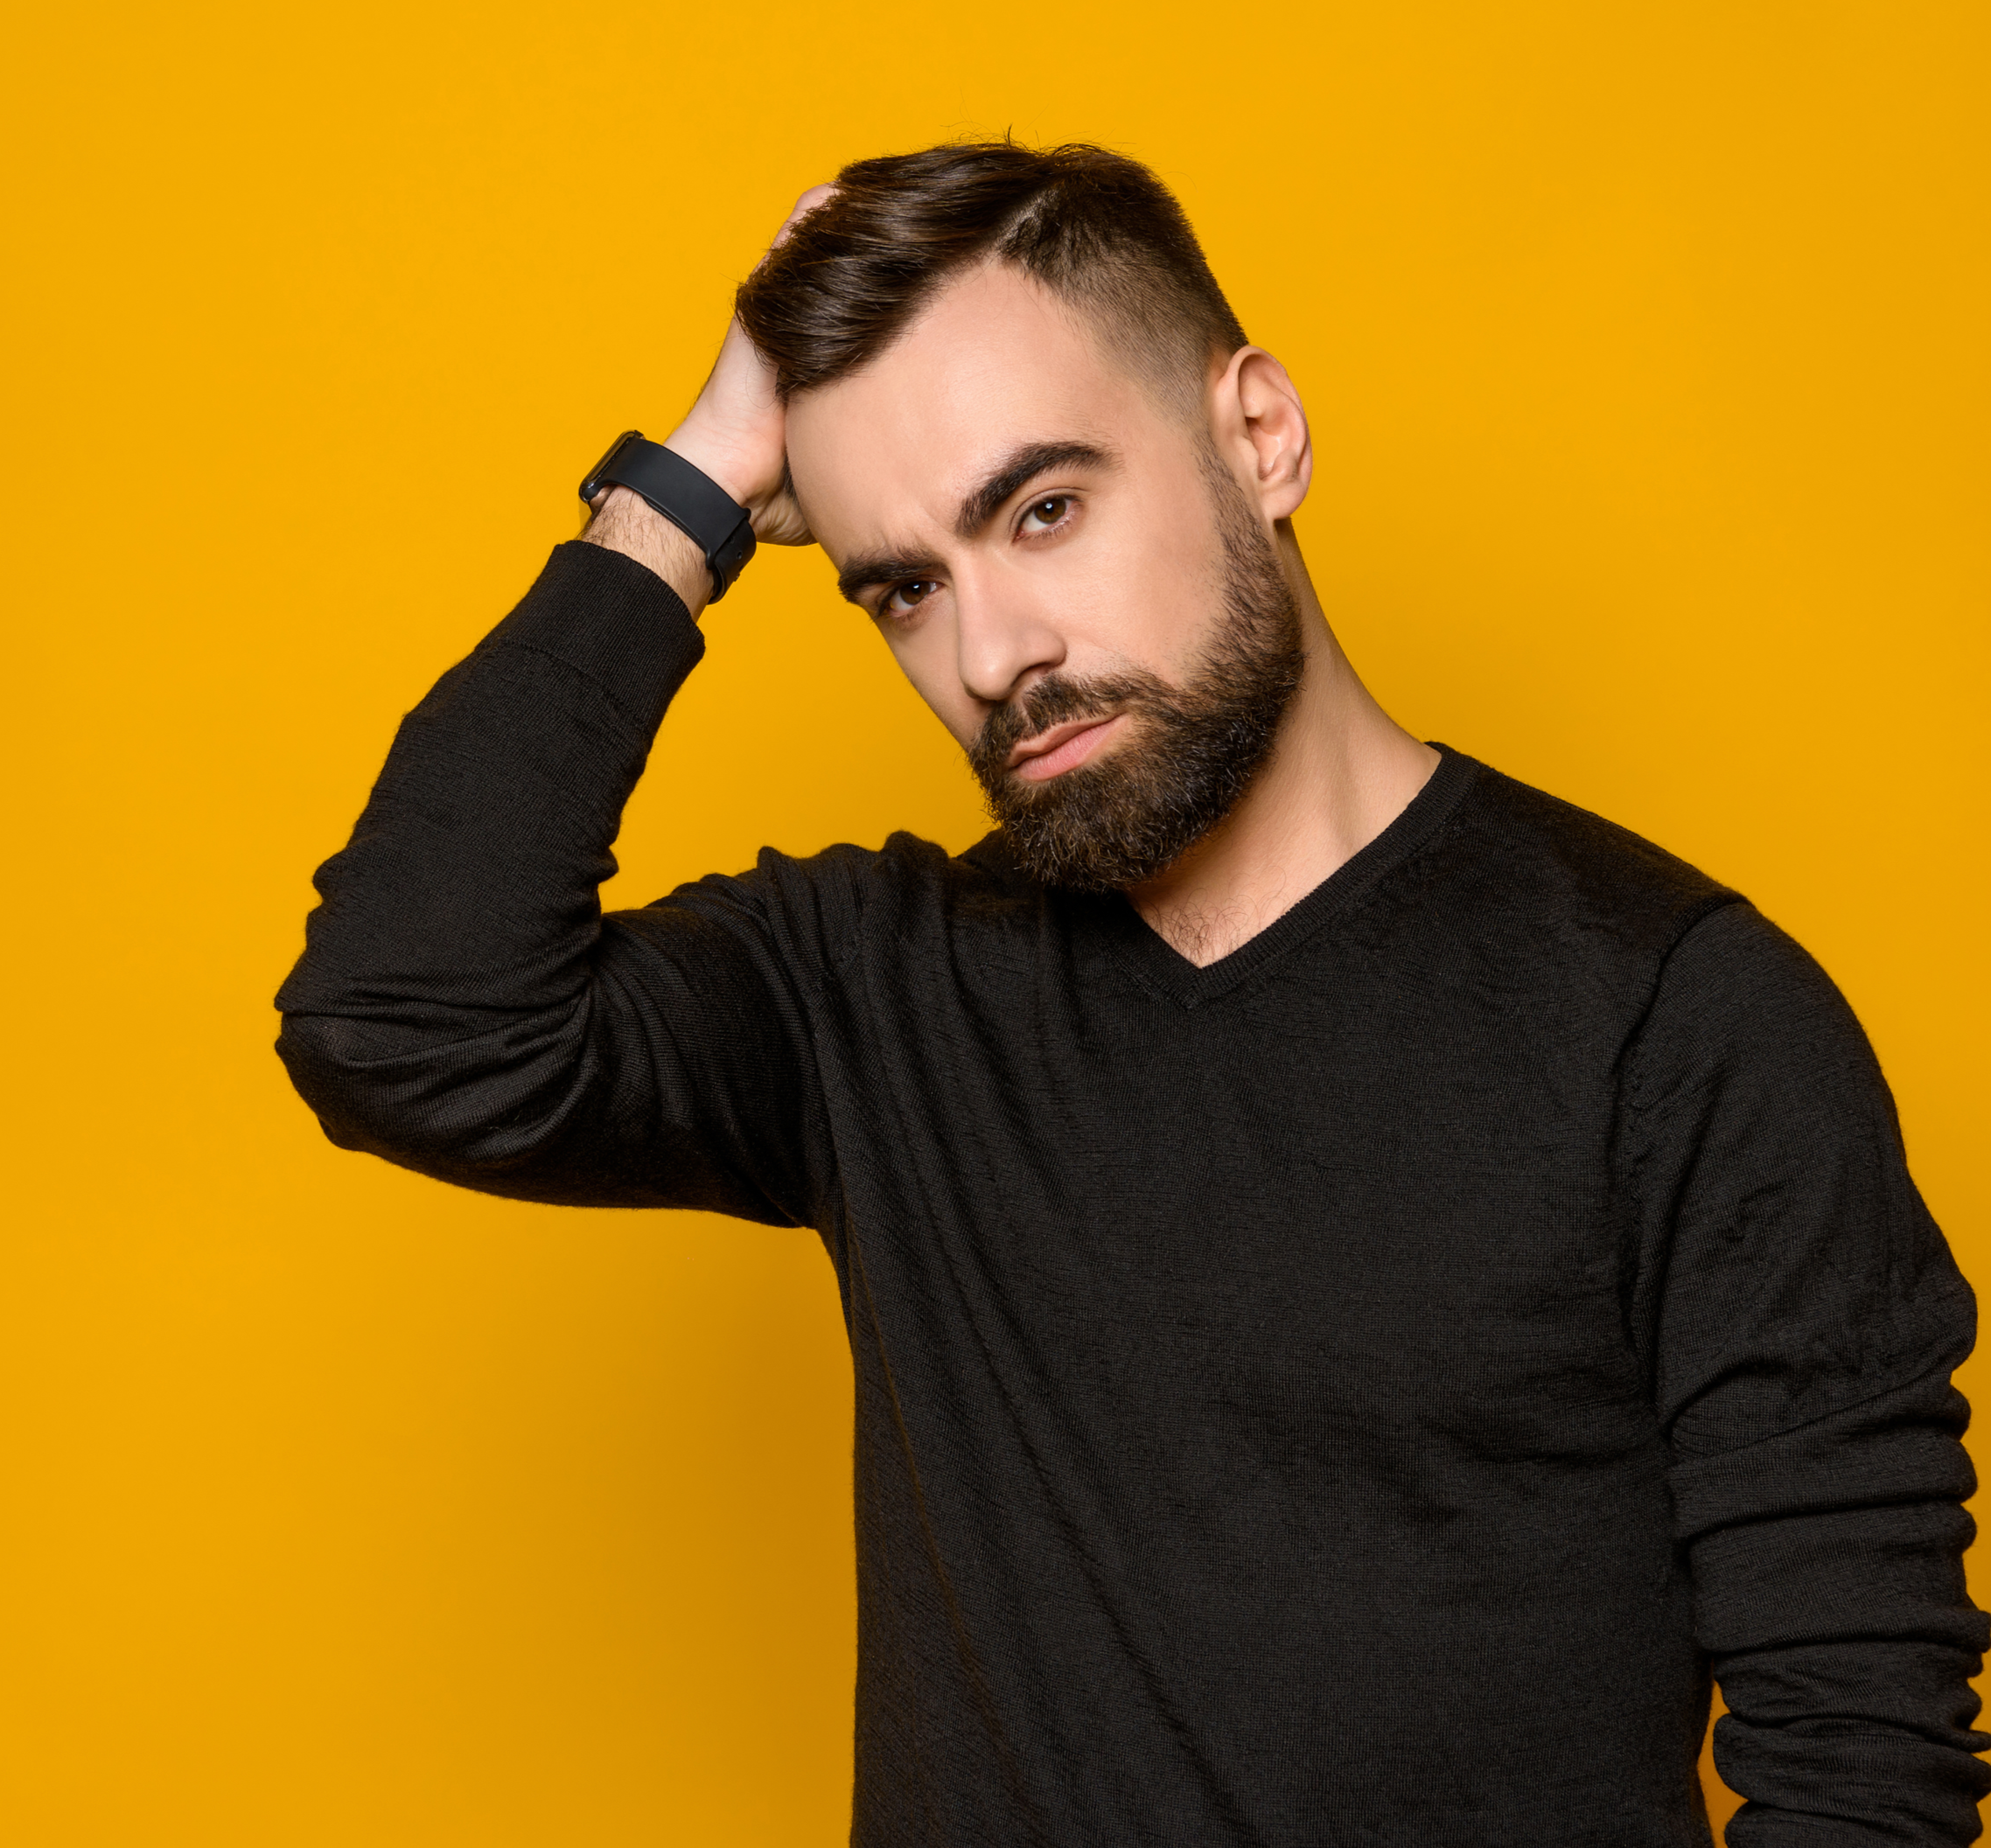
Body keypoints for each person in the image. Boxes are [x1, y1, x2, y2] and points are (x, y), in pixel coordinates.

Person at [276, 142, 1988, 1845]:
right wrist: (691, 486)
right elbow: (405, 1016)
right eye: (905, 587)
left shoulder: (1678, 1019)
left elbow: (1862, 1770)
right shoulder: (875, 994)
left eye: (1044, 510)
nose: (992, 650)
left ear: (1259, 436)